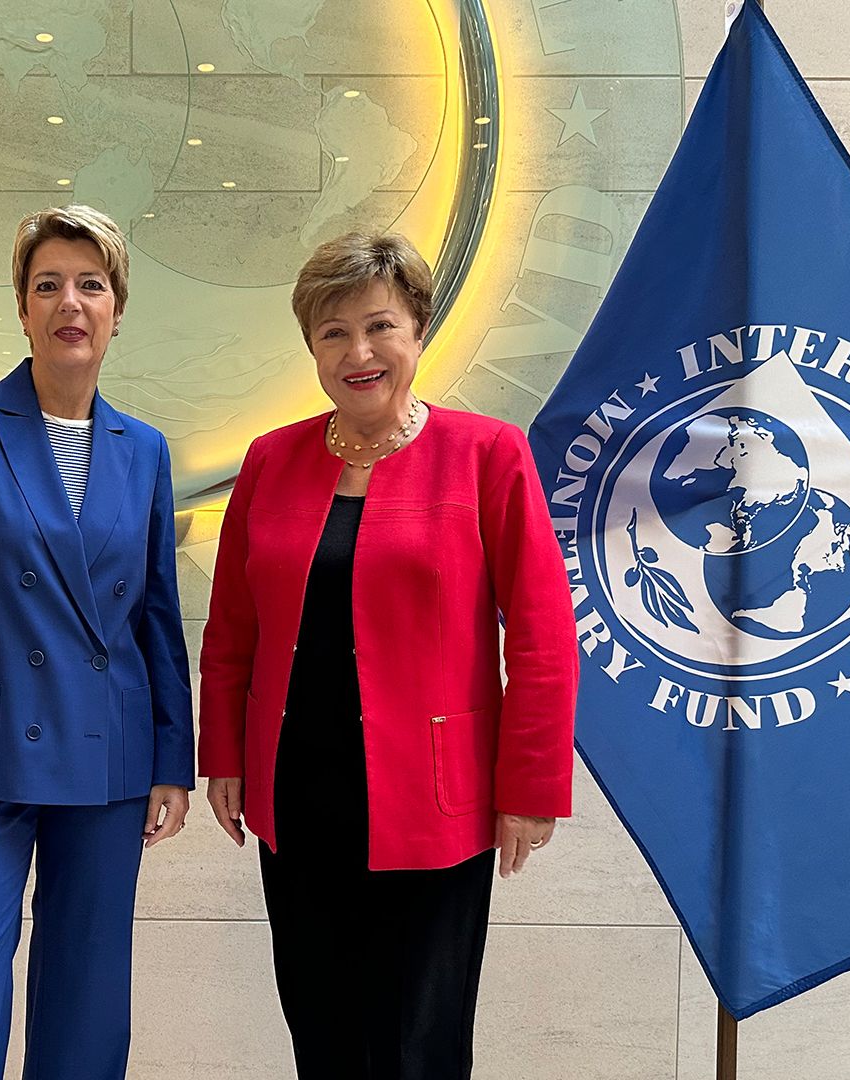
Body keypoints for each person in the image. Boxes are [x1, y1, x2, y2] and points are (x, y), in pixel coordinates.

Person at [197, 231, 578, 1079]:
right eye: (333, 333)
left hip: (434, 799)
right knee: (322, 1034)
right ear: (311, 348)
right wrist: (223, 756)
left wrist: (530, 787)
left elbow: (547, 638)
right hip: (297, 795)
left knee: (419, 1044)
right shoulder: (271, 459)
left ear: (418, 331)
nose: (359, 352)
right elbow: (232, 633)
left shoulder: (487, 455)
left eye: (380, 327)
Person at [0, 204, 194, 1080]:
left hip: (108, 753)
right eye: (48, 284)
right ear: (22, 309)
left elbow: (155, 617)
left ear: (117, 310)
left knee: (88, 994)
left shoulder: (143, 449)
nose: (71, 301)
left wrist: (172, 758)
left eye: (91, 285)